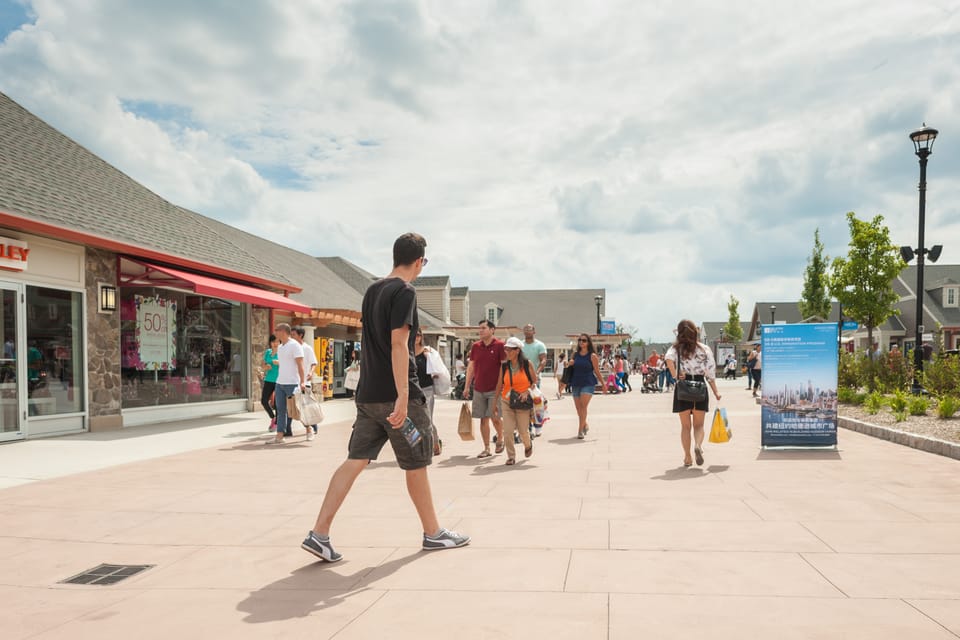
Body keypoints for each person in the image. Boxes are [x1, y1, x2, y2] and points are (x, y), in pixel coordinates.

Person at [302, 233, 469, 563]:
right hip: (395, 396)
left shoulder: (373, 290)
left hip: (368, 395)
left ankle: (319, 533)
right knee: (417, 462)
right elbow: (398, 345)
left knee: (355, 459)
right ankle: (433, 533)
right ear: (419, 262)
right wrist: (404, 398)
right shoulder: (405, 292)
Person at [665, 319, 722, 468]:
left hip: (683, 387)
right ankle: (697, 445)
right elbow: (710, 372)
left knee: (685, 426)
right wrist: (715, 391)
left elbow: (668, 358)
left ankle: (687, 457)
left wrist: (675, 374)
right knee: (699, 424)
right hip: (699, 387)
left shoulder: (676, 349)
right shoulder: (704, 349)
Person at [463, 319, 506, 458]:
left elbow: (504, 368)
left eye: (483, 328)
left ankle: (500, 438)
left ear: (492, 330)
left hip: (495, 389)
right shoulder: (476, 346)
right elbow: (471, 368)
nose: (480, 330)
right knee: (483, 419)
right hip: (479, 389)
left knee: (495, 418)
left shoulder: (500, 345)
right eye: (479, 328)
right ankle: (487, 448)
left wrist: (503, 387)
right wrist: (466, 386)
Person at [492, 336, 536, 465]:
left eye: (510, 350)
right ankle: (511, 456)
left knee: (523, 430)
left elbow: (534, 381)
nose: (507, 352)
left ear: (517, 350)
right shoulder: (505, 366)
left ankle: (528, 445)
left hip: (522, 401)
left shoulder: (527, 364)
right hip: (506, 400)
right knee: (508, 430)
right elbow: (499, 385)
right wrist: (494, 403)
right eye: (506, 349)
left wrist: (527, 391)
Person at [268, 323, 306, 444]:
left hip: (292, 383)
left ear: (283, 331)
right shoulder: (280, 347)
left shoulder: (295, 346)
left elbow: (300, 365)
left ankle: (309, 428)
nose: (275, 332)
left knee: (297, 409)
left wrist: (302, 382)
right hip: (280, 383)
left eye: (277, 330)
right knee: (280, 410)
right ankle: (280, 436)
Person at [568, 333, 607, 439]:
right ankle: (585, 424)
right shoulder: (575, 355)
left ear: (588, 342)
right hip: (576, 382)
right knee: (578, 408)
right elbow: (569, 368)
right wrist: (570, 363)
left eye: (584, 340)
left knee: (583, 406)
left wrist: (603, 384)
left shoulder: (592, 356)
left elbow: (597, 371)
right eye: (580, 340)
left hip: (588, 383)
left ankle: (580, 430)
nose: (581, 342)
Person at [414, 329, 442, 456]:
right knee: (412, 421)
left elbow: (436, 370)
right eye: (414, 335)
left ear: (421, 337)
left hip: (426, 389)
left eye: (418, 335)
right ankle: (417, 447)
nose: (416, 337)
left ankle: (434, 443)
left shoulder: (427, 352)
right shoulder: (406, 352)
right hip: (411, 389)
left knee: (427, 418)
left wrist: (429, 359)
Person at [293, 327, 319, 441]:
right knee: (293, 406)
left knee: (305, 407)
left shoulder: (307, 348)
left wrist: (310, 372)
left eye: (293, 334)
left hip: (304, 382)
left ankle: (312, 427)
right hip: (292, 381)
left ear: (301, 335)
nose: (291, 337)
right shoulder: (291, 347)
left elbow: (314, 363)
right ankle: (287, 430)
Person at [521, 323, 548, 437]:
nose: (527, 331)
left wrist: (537, 372)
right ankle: (528, 427)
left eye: (529, 329)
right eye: (525, 329)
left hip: (535, 378)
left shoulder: (540, 345)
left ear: (534, 331)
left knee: (536, 403)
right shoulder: (520, 345)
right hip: (521, 378)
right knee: (524, 403)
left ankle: (538, 426)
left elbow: (543, 360)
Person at [261, 334, 279, 431]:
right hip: (268, 379)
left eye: (277, 341)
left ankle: (276, 424)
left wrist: (279, 363)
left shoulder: (282, 352)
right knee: (264, 401)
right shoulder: (268, 352)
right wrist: (266, 367)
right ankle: (273, 418)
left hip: (279, 381)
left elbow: (287, 365)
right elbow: (263, 365)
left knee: (277, 404)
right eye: (273, 342)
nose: (275, 343)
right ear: (270, 343)